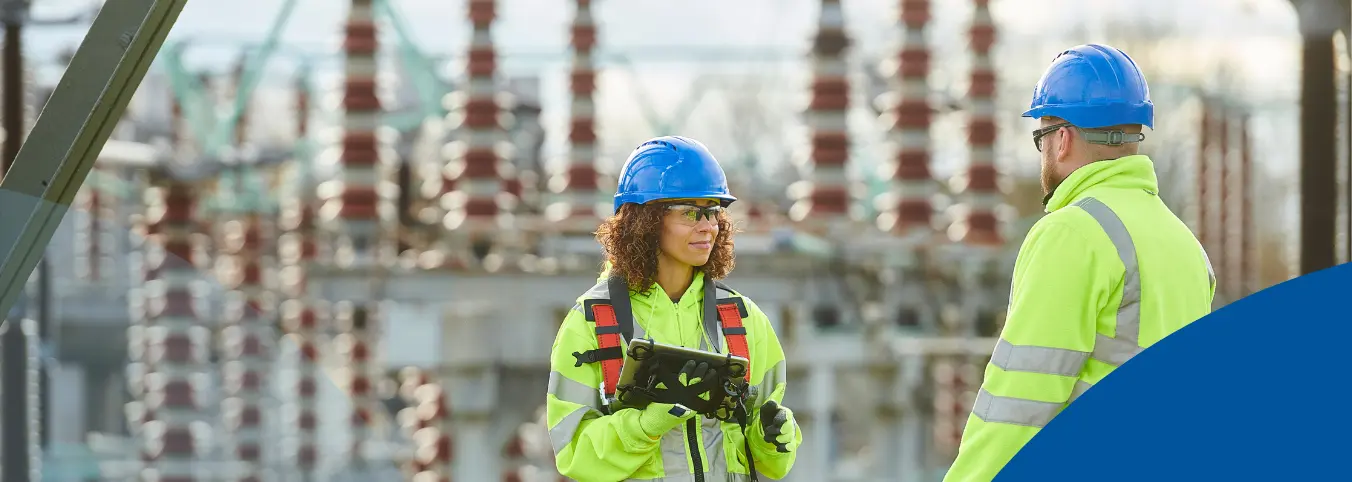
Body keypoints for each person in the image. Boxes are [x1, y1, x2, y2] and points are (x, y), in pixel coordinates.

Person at [942, 44, 1216, 482]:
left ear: (1063, 138)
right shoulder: (1186, 247)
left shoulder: (1073, 234)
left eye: (1041, 138)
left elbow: (1020, 401)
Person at [546, 136, 802, 482]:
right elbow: (575, 454)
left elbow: (773, 461)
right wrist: (645, 425)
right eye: (690, 213)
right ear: (646, 220)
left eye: (712, 211)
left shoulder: (742, 319)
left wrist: (774, 439)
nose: (708, 226)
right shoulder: (590, 322)